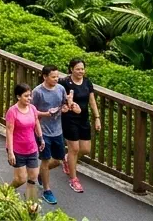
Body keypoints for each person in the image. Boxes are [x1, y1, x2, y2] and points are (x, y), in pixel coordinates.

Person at [61, 58, 101, 194]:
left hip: (83, 119)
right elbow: (59, 98)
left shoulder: (87, 82)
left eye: (82, 69)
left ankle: (67, 159)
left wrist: (97, 118)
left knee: (85, 149)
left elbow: (92, 101)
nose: (80, 71)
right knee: (74, 149)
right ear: (71, 69)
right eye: (78, 69)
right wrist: (67, 105)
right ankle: (73, 179)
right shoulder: (65, 82)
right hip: (69, 119)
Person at [32, 65, 68, 205]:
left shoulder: (60, 89)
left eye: (57, 76)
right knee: (45, 160)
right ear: (45, 77)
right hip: (43, 131)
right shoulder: (38, 92)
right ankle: (47, 190)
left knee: (58, 160)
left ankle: (41, 173)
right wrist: (46, 114)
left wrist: (65, 108)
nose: (56, 79)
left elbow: (64, 104)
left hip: (57, 130)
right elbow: (31, 111)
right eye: (53, 77)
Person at [6, 83, 43, 204]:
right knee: (20, 179)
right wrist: (11, 152)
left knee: (33, 178)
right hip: (18, 150)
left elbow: (36, 122)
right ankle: (5, 191)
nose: (29, 98)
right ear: (18, 97)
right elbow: (9, 132)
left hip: (32, 148)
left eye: (30, 95)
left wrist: (41, 138)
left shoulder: (32, 108)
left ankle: (30, 204)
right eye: (26, 96)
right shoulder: (12, 111)